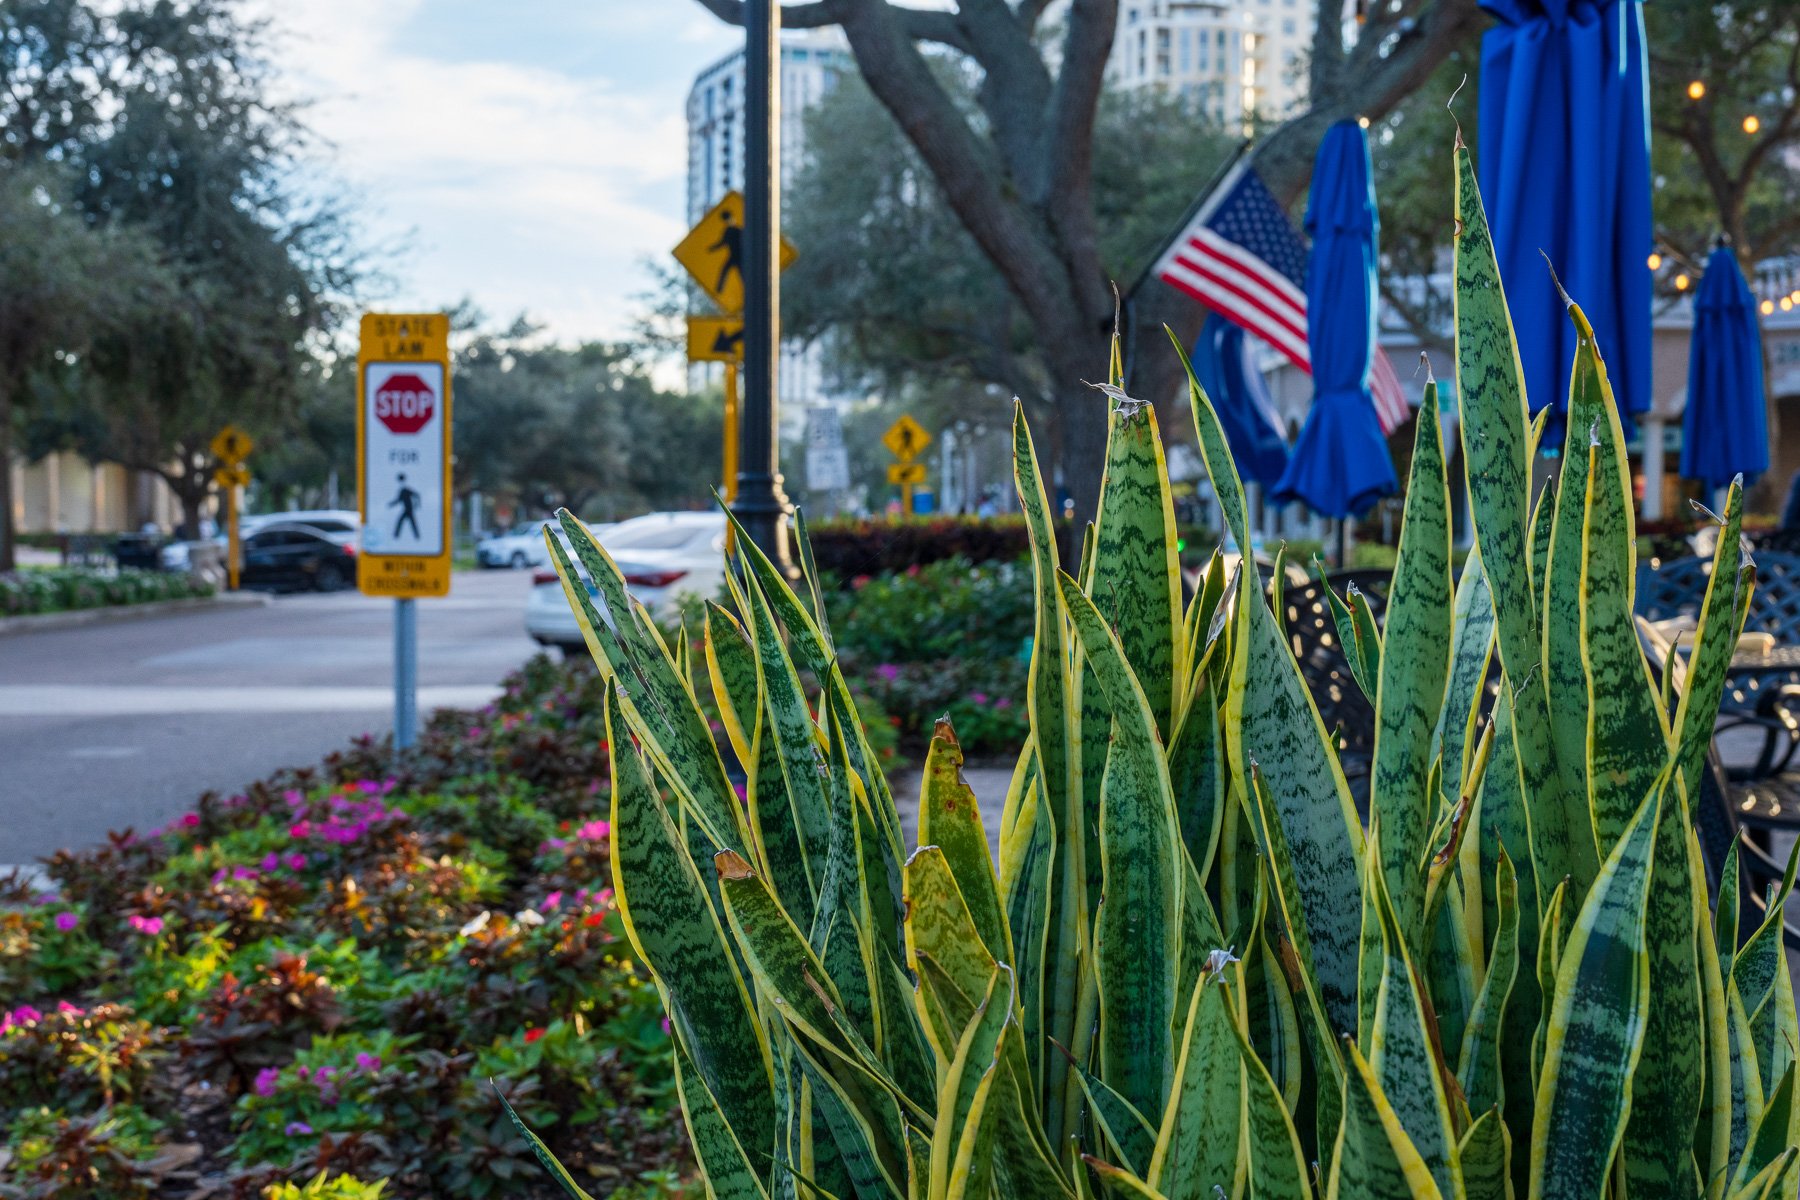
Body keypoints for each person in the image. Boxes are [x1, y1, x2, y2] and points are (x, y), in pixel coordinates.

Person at [710, 208, 744, 299]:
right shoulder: (728, 231)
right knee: (725, 270)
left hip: (739, 256)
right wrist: (713, 248)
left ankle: (747, 290)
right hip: (733, 256)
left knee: (741, 274)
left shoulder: (738, 230)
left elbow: (723, 242)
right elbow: (722, 242)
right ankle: (719, 289)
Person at [390, 474, 422, 540]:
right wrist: (391, 504)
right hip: (407, 509)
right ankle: (416, 536)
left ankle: (396, 535)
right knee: (408, 522)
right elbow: (398, 500)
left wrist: (417, 504)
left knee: (402, 521)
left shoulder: (406, 490)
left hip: (409, 509)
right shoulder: (402, 491)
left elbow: (417, 495)